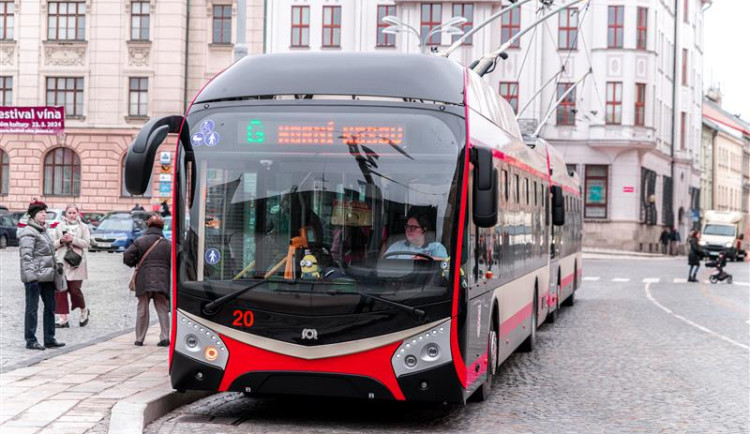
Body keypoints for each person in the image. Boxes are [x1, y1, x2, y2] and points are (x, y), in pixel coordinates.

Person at [19, 201, 65, 350]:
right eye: (40, 212)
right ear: (33, 215)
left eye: (45, 211)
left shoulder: (43, 230)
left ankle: (49, 339)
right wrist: (31, 277)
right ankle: (30, 340)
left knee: (50, 307)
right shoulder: (28, 231)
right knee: (32, 309)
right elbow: (26, 257)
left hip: (48, 275)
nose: (44, 214)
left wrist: (57, 265)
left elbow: (51, 251)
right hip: (35, 277)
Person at [123, 214, 171, 346]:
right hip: (162, 279)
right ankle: (165, 337)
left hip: (143, 279)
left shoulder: (140, 241)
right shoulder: (168, 244)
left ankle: (139, 338)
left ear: (148, 225)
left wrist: (136, 263)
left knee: (142, 308)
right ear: (162, 227)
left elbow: (127, 257)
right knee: (162, 308)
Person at [53, 204, 91, 328]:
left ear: (78, 213)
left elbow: (86, 243)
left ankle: (84, 310)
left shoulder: (83, 227)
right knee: (61, 290)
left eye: (74, 212)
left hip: (77, 263)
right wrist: (61, 241)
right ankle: (63, 318)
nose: (72, 215)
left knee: (75, 290)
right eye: (69, 213)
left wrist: (72, 239)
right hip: (62, 262)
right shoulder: (59, 226)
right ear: (65, 214)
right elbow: (53, 244)